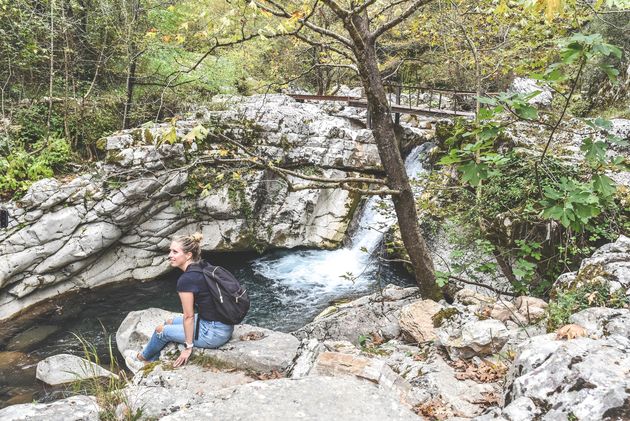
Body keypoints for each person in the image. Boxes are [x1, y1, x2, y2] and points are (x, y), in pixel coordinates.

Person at [126, 232, 234, 370]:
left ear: (188, 255)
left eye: (175, 252)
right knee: (169, 322)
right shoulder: (203, 266)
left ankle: (142, 358)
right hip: (222, 324)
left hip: (213, 333)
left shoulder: (186, 280)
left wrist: (188, 347)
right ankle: (152, 360)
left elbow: (188, 316)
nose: (169, 255)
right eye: (170, 251)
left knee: (161, 330)